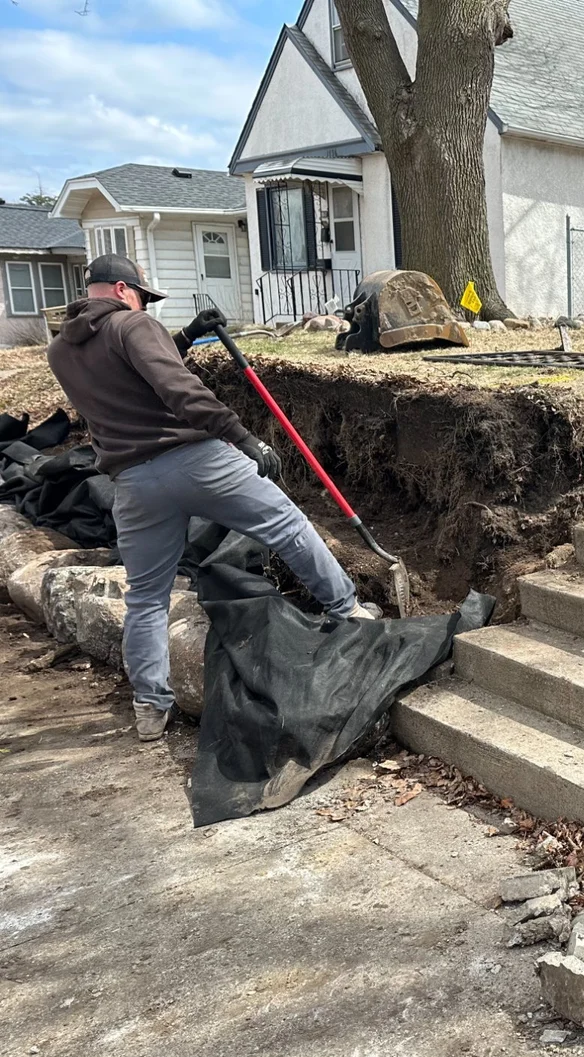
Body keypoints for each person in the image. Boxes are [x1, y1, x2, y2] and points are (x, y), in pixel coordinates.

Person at [46, 254, 375, 743]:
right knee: (286, 525)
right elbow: (176, 386)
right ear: (121, 289)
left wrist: (185, 337)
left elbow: (126, 375)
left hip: (133, 483)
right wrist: (242, 436)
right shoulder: (133, 323)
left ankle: (150, 709)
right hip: (198, 461)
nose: (144, 306)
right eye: (141, 296)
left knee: (147, 598)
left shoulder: (60, 351)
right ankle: (347, 611)